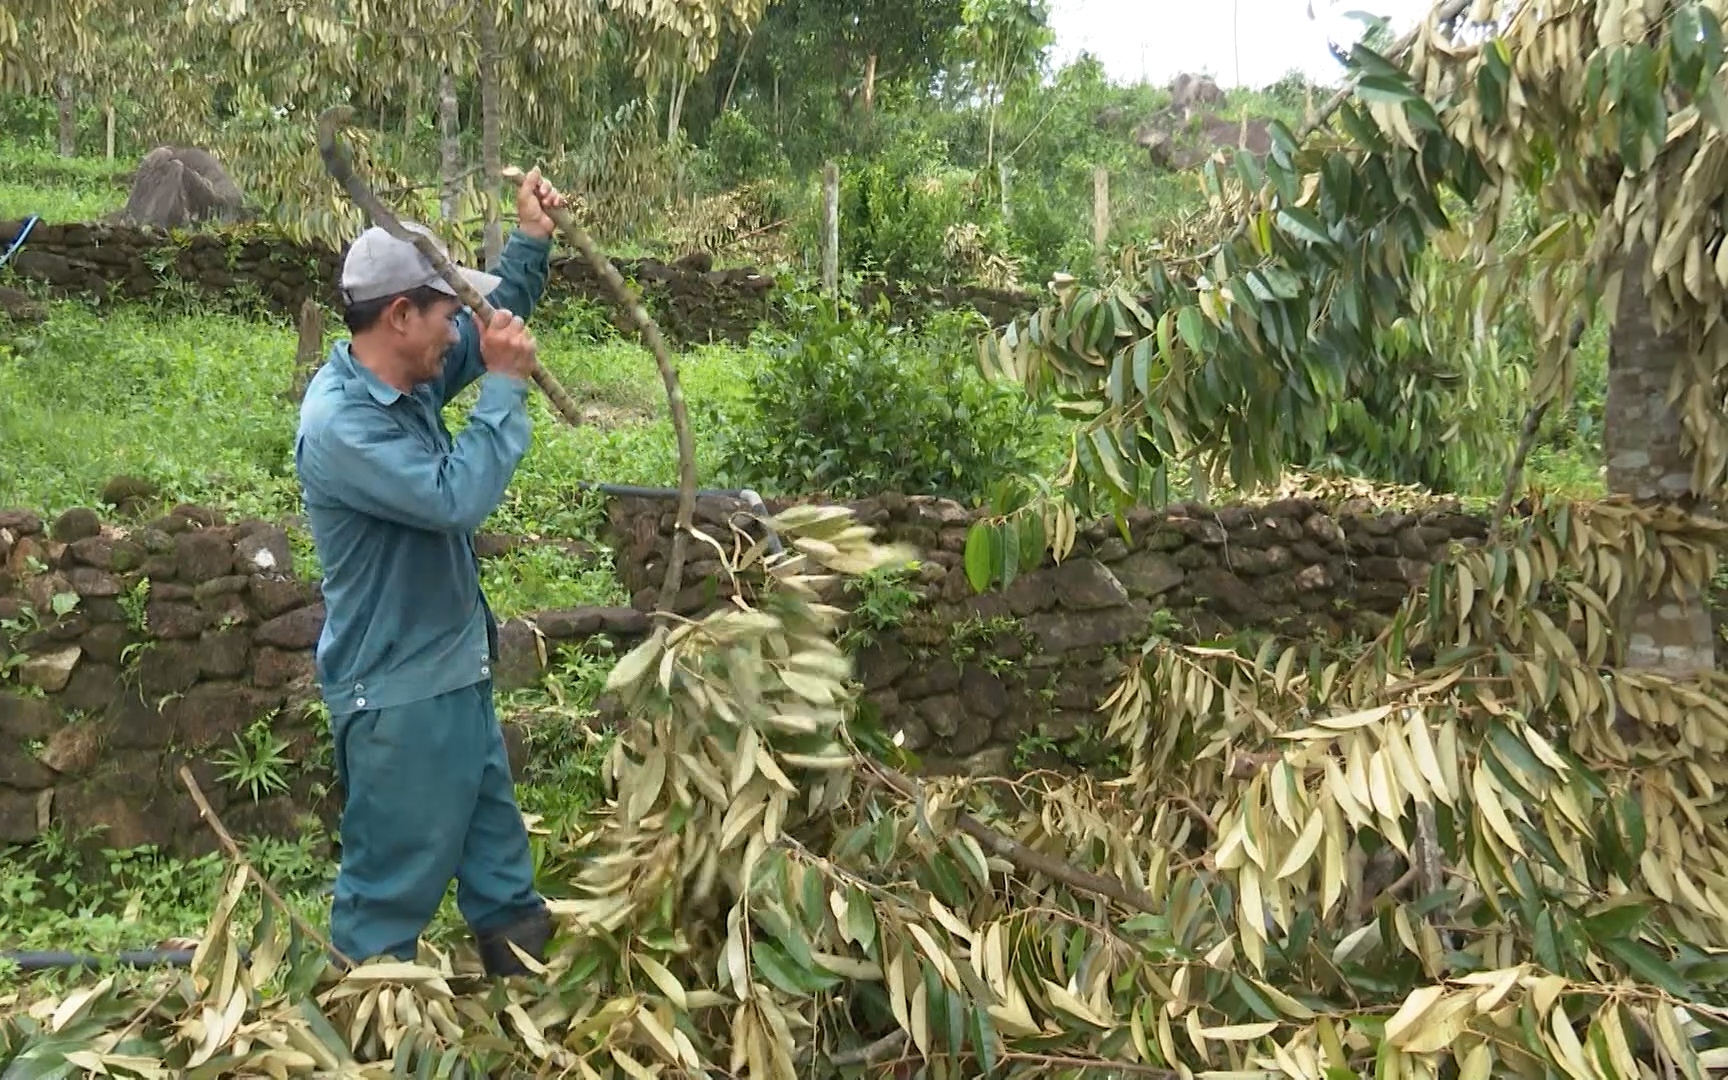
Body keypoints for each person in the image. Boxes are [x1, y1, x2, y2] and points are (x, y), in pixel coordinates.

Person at [293, 169, 566, 974]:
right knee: (385, 901)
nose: (460, 333)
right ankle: (368, 1039)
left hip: (453, 676)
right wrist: (508, 387)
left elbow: (487, 324)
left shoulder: (401, 379)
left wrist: (531, 240)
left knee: (504, 883)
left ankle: (528, 1017)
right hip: (401, 698)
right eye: (448, 313)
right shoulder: (342, 425)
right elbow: (457, 498)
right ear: (401, 315)